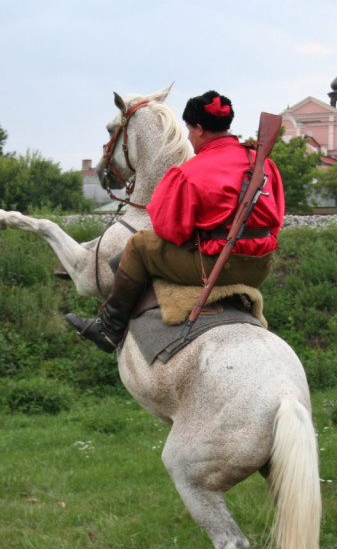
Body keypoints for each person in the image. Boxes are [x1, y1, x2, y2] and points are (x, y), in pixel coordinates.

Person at [66, 90, 285, 353]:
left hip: (219, 264)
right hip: (260, 266)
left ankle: (109, 328)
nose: (190, 138)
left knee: (139, 245)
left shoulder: (189, 171)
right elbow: (277, 219)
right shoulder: (262, 164)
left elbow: (169, 231)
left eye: (190, 130)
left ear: (200, 129)